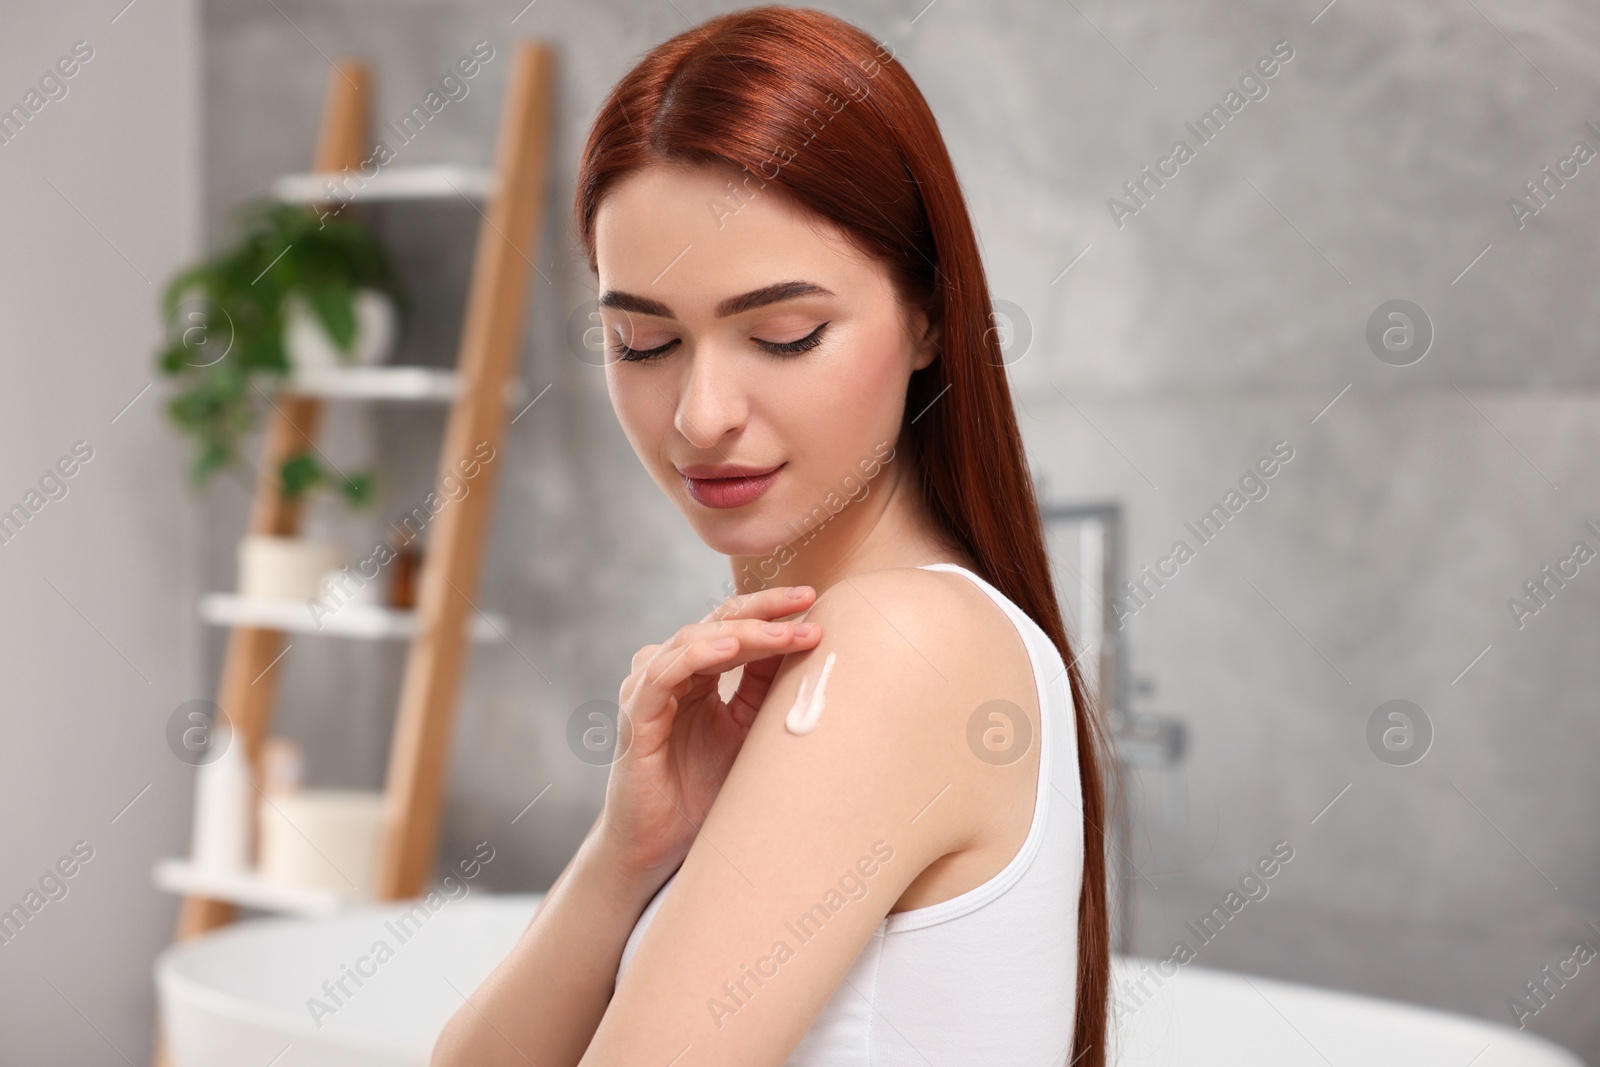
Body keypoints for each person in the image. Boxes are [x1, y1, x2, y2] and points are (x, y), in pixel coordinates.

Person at [432, 7, 1112, 1065]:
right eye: (641, 340)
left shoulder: (900, 642)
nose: (702, 413)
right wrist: (627, 852)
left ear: (929, 315)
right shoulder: (849, 646)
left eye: (782, 334)